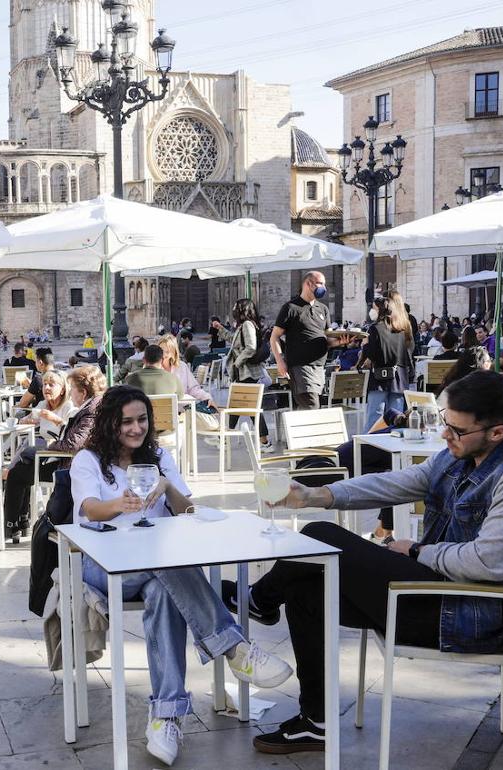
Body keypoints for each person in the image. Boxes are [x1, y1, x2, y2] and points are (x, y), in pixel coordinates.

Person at [226, 371, 503, 755]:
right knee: (308, 585)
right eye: (445, 424)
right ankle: (315, 722)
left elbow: (489, 563)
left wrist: (417, 551)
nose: (446, 435)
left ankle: (258, 600)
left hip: (468, 612)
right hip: (433, 589)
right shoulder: (462, 456)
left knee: (320, 535)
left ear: (497, 432)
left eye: (456, 430)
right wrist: (318, 494)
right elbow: (395, 483)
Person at [72, 386, 292, 765]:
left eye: (142, 419)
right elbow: (89, 509)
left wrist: (168, 486)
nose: (136, 428)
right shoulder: (88, 460)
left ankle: (166, 714)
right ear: (110, 423)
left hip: (158, 566)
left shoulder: (157, 457)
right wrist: (118, 505)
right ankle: (233, 646)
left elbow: (188, 512)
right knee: (166, 561)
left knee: (162, 589)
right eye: (126, 421)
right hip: (104, 565)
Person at [1, 365, 107, 541]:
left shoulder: (86, 410)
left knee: (17, 472)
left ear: (82, 392)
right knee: (22, 465)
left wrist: (49, 445)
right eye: (45, 384)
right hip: (64, 461)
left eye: (72, 388)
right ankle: (20, 522)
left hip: (67, 466)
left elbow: (73, 443)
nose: (47, 388)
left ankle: (11, 525)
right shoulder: (88, 407)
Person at [271, 271, 345, 410]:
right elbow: (274, 337)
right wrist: (280, 361)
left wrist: (339, 342)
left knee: (307, 408)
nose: (324, 288)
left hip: (318, 367)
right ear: (308, 284)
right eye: (320, 283)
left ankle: (292, 429)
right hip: (300, 367)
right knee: (311, 406)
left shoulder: (323, 309)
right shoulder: (290, 308)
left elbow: (327, 339)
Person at [359, 292, 413, 431]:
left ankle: (367, 446)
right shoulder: (400, 329)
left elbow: (372, 353)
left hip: (380, 376)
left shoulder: (374, 328)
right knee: (396, 417)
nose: (371, 311)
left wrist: (365, 345)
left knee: (375, 416)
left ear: (379, 310)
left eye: (374, 308)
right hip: (399, 377)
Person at [227, 298, 271, 449]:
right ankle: (226, 436)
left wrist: (237, 362)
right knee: (239, 405)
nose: (233, 309)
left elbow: (251, 347)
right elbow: (235, 342)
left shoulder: (247, 324)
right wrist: (220, 328)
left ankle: (264, 442)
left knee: (250, 407)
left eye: (236, 306)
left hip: (247, 372)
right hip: (244, 373)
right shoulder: (245, 325)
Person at [19, 369, 74, 443]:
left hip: (63, 448)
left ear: (62, 390)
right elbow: (22, 421)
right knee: (25, 444)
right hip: (46, 447)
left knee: (27, 448)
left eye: (51, 385)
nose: (46, 387)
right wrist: (27, 421)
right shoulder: (43, 404)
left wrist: (55, 419)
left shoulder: (69, 407)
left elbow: (73, 433)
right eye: (44, 384)